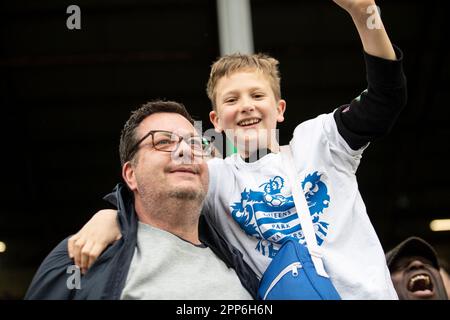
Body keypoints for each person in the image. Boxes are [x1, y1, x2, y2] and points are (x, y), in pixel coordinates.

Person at [69, 0, 407, 299]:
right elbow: (157, 190)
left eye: (257, 96)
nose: (246, 106)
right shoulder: (214, 177)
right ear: (216, 120)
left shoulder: (319, 143)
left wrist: (365, 14)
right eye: (232, 99)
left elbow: (384, 100)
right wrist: (111, 216)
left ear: (281, 109)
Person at [25, 100, 258, 300]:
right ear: (130, 175)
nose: (185, 150)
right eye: (163, 142)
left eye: (196, 143)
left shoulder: (244, 257)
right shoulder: (81, 256)